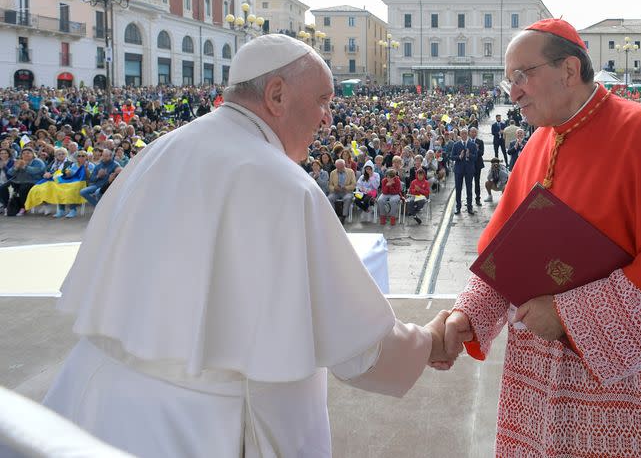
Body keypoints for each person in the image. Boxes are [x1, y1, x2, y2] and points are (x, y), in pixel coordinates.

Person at [43, 34, 457, 458]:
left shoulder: (160, 150)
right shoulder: (280, 182)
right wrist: (427, 342)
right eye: (322, 101)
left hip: (94, 405)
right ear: (277, 95)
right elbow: (360, 347)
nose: (328, 119)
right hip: (203, 427)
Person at [441, 19, 641, 456]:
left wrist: (565, 315)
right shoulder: (539, 142)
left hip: (630, 389)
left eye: (523, 75)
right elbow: (505, 252)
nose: (513, 92)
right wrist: (468, 316)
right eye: (509, 81)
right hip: (542, 381)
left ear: (569, 70)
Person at [451, 128, 478, 215]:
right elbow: (452, 157)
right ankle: (458, 207)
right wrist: (459, 157)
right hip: (458, 170)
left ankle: (469, 207)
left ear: (468, 134)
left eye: (465, 133)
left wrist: (468, 155)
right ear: (460, 135)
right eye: (462, 133)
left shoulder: (472, 145)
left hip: (469, 170)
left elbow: (475, 158)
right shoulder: (456, 145)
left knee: (469, 189)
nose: (464, 135)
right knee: (458, 189)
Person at [327, 158, 356, 223]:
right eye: (338, 167)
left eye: (341, 167)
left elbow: (354, 184)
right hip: (336, 192)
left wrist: (345, 188)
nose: (339, 169)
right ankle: (333, 216)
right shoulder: (333, 173)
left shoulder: (350, 172)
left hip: (347, 191)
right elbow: (330, 185)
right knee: (329, 198)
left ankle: (343, 216)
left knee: (347, 198)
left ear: (344, 165)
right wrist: (334, 188)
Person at [469, 127, 485, 206]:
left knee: (477, 182)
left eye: (475, 132)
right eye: (472, 132)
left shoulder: (480, 142)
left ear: (476, 133)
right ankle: (469, 200)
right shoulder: (467, 141)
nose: (473, 134)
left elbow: (482, 153)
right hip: (469, 165)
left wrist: (477, 149)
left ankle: (478, 198)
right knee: (468, 183)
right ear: (470, 133)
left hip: (477, 164)